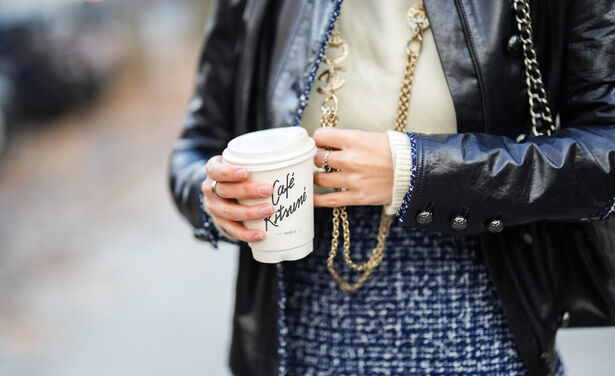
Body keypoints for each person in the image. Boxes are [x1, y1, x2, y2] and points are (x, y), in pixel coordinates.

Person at [168, 0, 615, 375]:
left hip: (480, 328)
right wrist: (217, 199)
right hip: (294, 333)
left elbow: (605, 151)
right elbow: (196, 147)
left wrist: (416, 169)